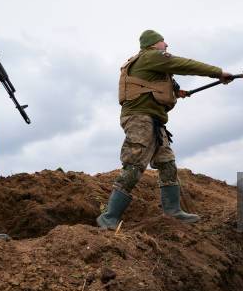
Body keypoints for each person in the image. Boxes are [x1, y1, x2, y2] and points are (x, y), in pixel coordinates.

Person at [97, 30, 233, 229]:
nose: (166, 44)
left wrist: (176, 92)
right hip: (140, 119)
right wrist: (218, 72)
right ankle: (109, 217)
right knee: (134, 165)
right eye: (163, 42)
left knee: (167, 163)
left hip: (153, 121)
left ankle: (173, 212)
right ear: (153, 44)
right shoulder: (152, 56)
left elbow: (157, 84)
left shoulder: (148, 63)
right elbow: (184, 64)